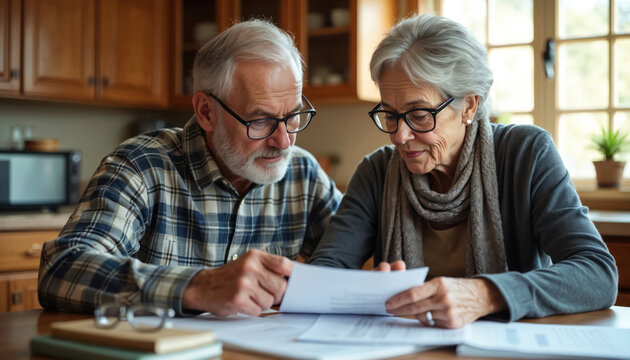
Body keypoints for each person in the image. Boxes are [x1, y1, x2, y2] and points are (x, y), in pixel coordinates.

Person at [308, 14, 618, 328]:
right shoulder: (376, 172)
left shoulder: (527, 153)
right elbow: (322, 276)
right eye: (390, 114)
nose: (399, 136)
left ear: (468, 106)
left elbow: (596, 273)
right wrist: (364, 291)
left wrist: (485, 294)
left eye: (418, 114)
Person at [38, 20, 342, 317]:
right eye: (260, 120)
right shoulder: (143, 165)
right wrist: (197, 287)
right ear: (206, 112)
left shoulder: (304, 174)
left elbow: (357, 260)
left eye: (293, 116)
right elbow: (61, 268)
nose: (284, 140)